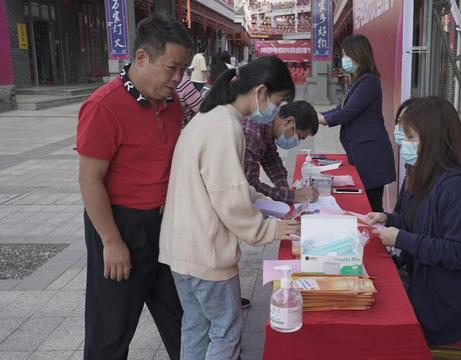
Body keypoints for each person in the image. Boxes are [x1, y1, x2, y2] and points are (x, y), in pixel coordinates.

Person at [158, 56, 299, 360]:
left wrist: (262, 200)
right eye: (278, 100)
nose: (276, 108)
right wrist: (270, 228)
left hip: (181, 248)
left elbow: (224, 185)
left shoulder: (209, 117)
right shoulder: (226, 126)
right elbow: (229, 200)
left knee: (195, 326)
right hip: (205, 252)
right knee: (226, 331)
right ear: (261, 92)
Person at [76, 14, 192, 360]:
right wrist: (111, 243)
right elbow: (89, 179)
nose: (177, 78)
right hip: (121, 226)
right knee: (111, 331)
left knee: (184, 321)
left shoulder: (172, 105)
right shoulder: (103, 106)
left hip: (164, 225)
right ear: (141, 57)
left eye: (183, 69)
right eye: (171, 68)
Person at [368, 96, 461, 346]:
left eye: (411, 137)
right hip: (418, 278)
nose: (403, 144)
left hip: (439, 303)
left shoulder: (456, 188)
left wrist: (402, 239)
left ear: (435, 140)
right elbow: (418, 222)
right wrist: (387, 218)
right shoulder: (422, 173)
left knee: (373, 318)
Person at [318, 34, 395, 212]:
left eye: (347, 55)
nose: (344, 59)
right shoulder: (359, 82)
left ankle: (379, 238)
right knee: (367, 205)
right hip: (363, 152)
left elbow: (347, 112)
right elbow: (341, 107)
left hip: (371, 155)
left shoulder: (369, 81)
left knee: (372, 207)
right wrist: (320, 115)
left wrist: (322, 120)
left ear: (359, 55)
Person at [242, 100, 320, 204]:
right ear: (288, 122)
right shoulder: (250, 134)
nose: (297, 142)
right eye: (299, 137)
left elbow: (271, 159)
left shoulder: (267, 126)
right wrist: (292, 196)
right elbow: (250, 186)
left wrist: (282, 186)